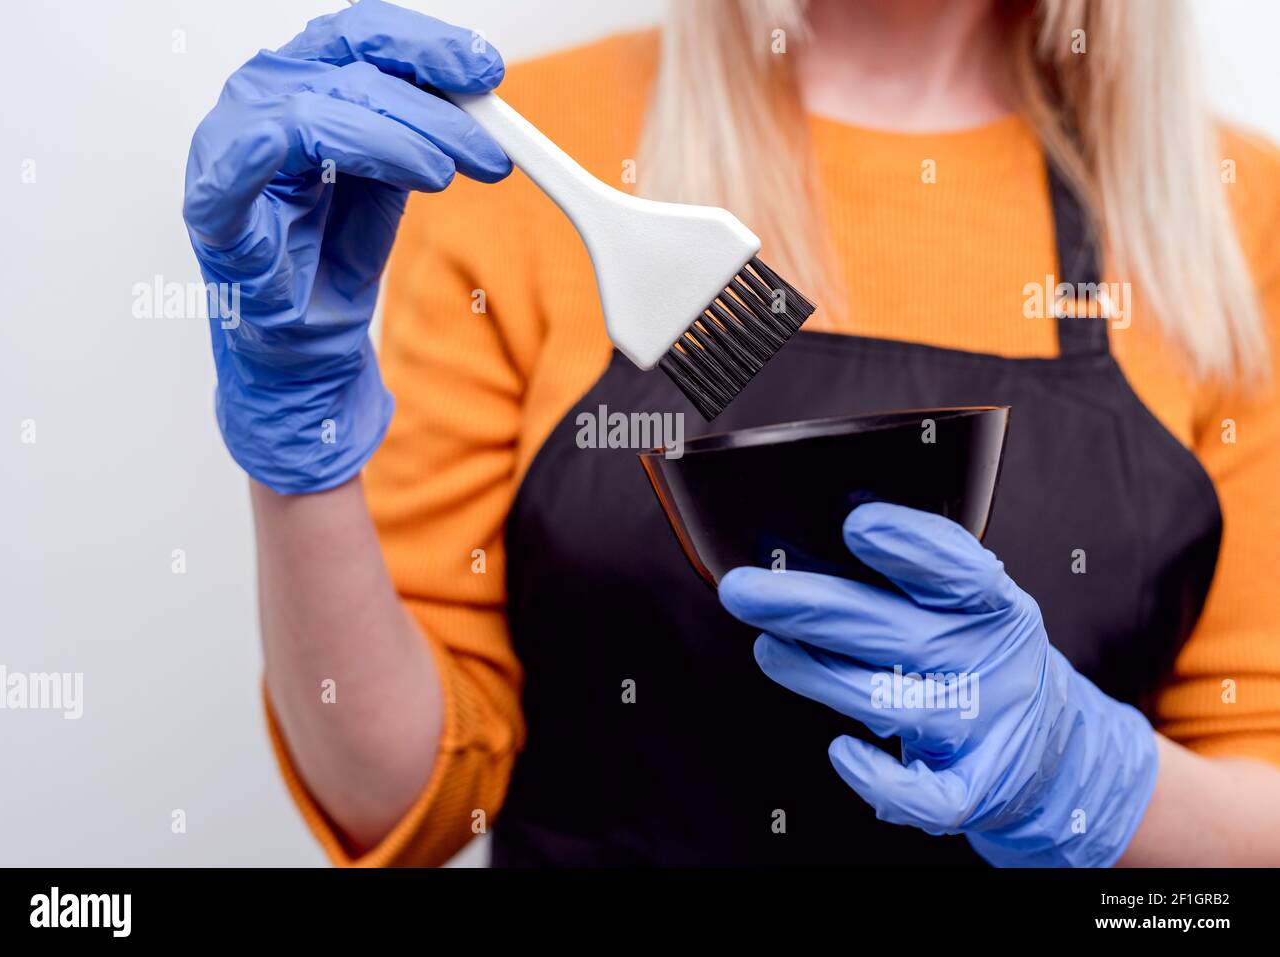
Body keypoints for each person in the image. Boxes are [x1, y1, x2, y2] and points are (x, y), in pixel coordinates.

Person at [182, 0, 1280, 866]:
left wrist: (1082, 778)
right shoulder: (511, 165)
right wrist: (299, 442)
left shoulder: (1238, 226)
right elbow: (400, 796)